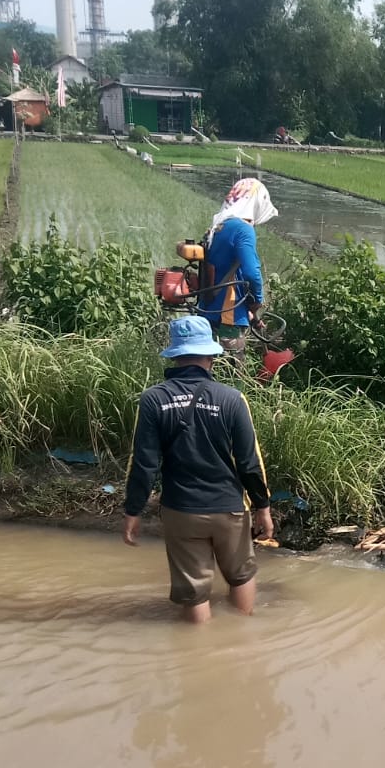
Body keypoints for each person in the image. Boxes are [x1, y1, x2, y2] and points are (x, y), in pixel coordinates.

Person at [123, 316, 274, 624]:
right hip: (230, 508)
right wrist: (263, 507)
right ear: (211, 356)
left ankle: (197, 655)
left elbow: (144, 463)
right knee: (241, 575)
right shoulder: (232, 399)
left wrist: (133, 511)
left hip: (182, 510)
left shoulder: (153, 399)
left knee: (194, 589)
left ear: (175, 356)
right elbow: (249, 462)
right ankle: (243, 640)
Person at [198, 177, 278, 352]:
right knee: (232, 375)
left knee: (208, 368)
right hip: (229, 317)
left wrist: (250, 313)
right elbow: (251, 272)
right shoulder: (243, 229)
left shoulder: (218, 226)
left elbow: (221, 270)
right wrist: (257, 300)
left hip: (207, 312)